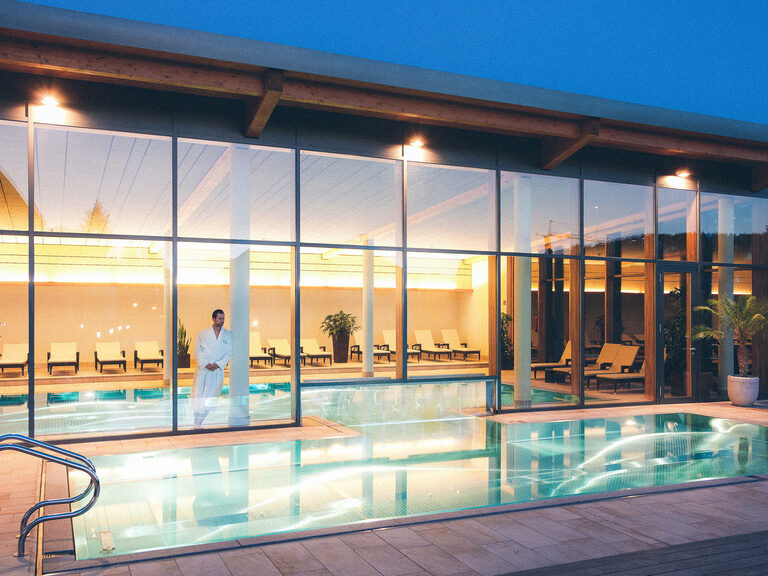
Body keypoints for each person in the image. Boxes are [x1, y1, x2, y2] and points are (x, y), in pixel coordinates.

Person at [192, 309, 232, 428]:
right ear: (213, 319)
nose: (222, 321)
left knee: (210, 397)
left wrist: (218, 364)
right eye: (220, 318)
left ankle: (199, 423)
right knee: (198, 395)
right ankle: (196, 422)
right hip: (203, 370)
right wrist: (205, 364)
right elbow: (197, 350)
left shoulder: (227, 335)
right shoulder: (203, 334)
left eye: (223, 318)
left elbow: (229, 352)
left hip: (216, 370)